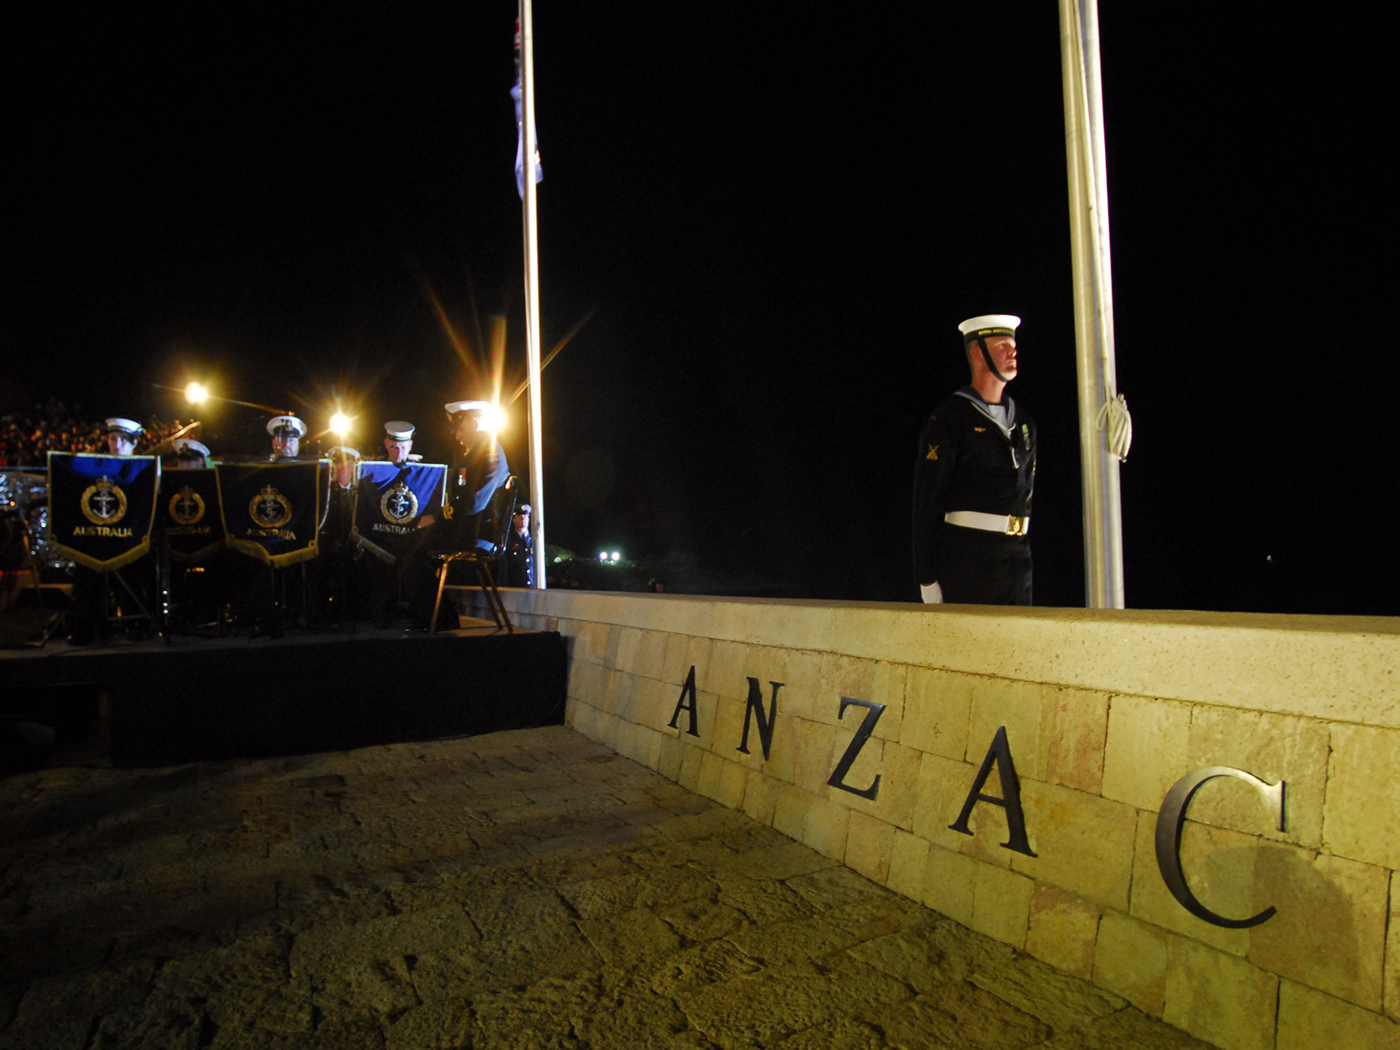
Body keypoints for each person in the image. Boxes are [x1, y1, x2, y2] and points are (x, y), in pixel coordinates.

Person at [913, 314, 1037, 606]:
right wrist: (926, 578)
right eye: (1003, 345)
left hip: (1017, 560)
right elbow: (926, 501)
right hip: (968, 561)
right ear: (977, 352)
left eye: (1013, 345)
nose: (1013, 351)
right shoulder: (950, 418)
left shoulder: (1024, 422)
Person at [500, 503, 534, 587]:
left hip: (534, 588)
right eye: (520, 517)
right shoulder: (509, 541)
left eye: (525, 517)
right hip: (516, 589)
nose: (523, 520)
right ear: (514, 520)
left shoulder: (534, 540)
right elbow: (504, 568)